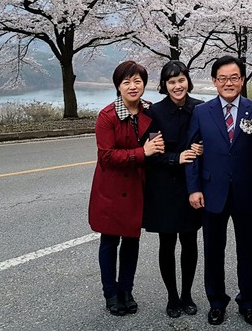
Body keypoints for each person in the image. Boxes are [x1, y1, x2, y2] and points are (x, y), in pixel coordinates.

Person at [186, 55, 252, 327]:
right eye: (222, 78)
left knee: (247, 250)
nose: (228, 83)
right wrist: (194, 189)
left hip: (247, 193)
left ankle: (248, 302)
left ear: (242, 80)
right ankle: (216, 302)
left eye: (234, 77)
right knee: (213, 250)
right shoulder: (202, 112)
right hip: (212, 192)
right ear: (214, 81)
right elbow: (192, 153)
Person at [88, 60, 165, 316]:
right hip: (111, 190)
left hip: (136, 188)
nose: (133, 86)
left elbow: (159, 146)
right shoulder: (107, 116)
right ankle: (110, 292)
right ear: (118, 86)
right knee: (109, 241)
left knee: (132, 241)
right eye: (126, 82)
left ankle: (126, 289)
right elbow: (107, 156)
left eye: (138, 81)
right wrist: (141, 152)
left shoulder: (149, 112)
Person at [144, 60, 204, 318]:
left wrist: (203, 149)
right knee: (166, 242)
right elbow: (153, 153)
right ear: (165, 85)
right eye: (171, 82)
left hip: (192, 186)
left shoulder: (201, 108)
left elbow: (211, 142)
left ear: (188, 81)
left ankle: (187, 294)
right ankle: (171, 296)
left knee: (190, 241)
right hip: (165, 186)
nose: (177, 86)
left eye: (181, 80)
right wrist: (175, 157)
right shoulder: (155, 112)